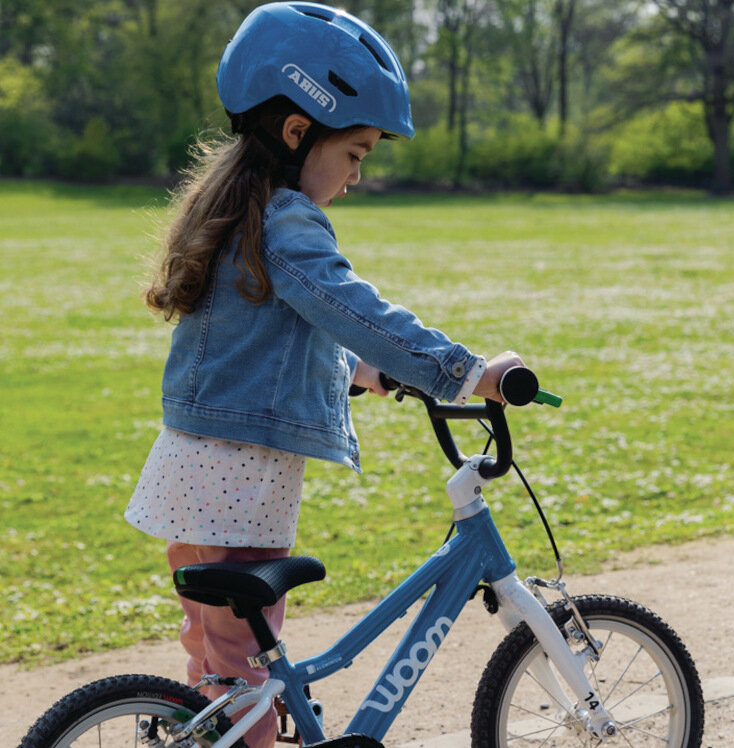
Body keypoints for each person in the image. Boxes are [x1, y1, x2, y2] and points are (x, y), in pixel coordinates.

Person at [124, 3, 523, 747]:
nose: (357, 177)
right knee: (248, 697)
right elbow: (348, 305)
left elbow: (267, 341)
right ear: (298, 131)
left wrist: (360, 373)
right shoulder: (288, 222)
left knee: (218, 670)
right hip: (239, 495)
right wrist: (466, 373)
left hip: (188, 481)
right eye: (356, 154)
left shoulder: (239, 213)